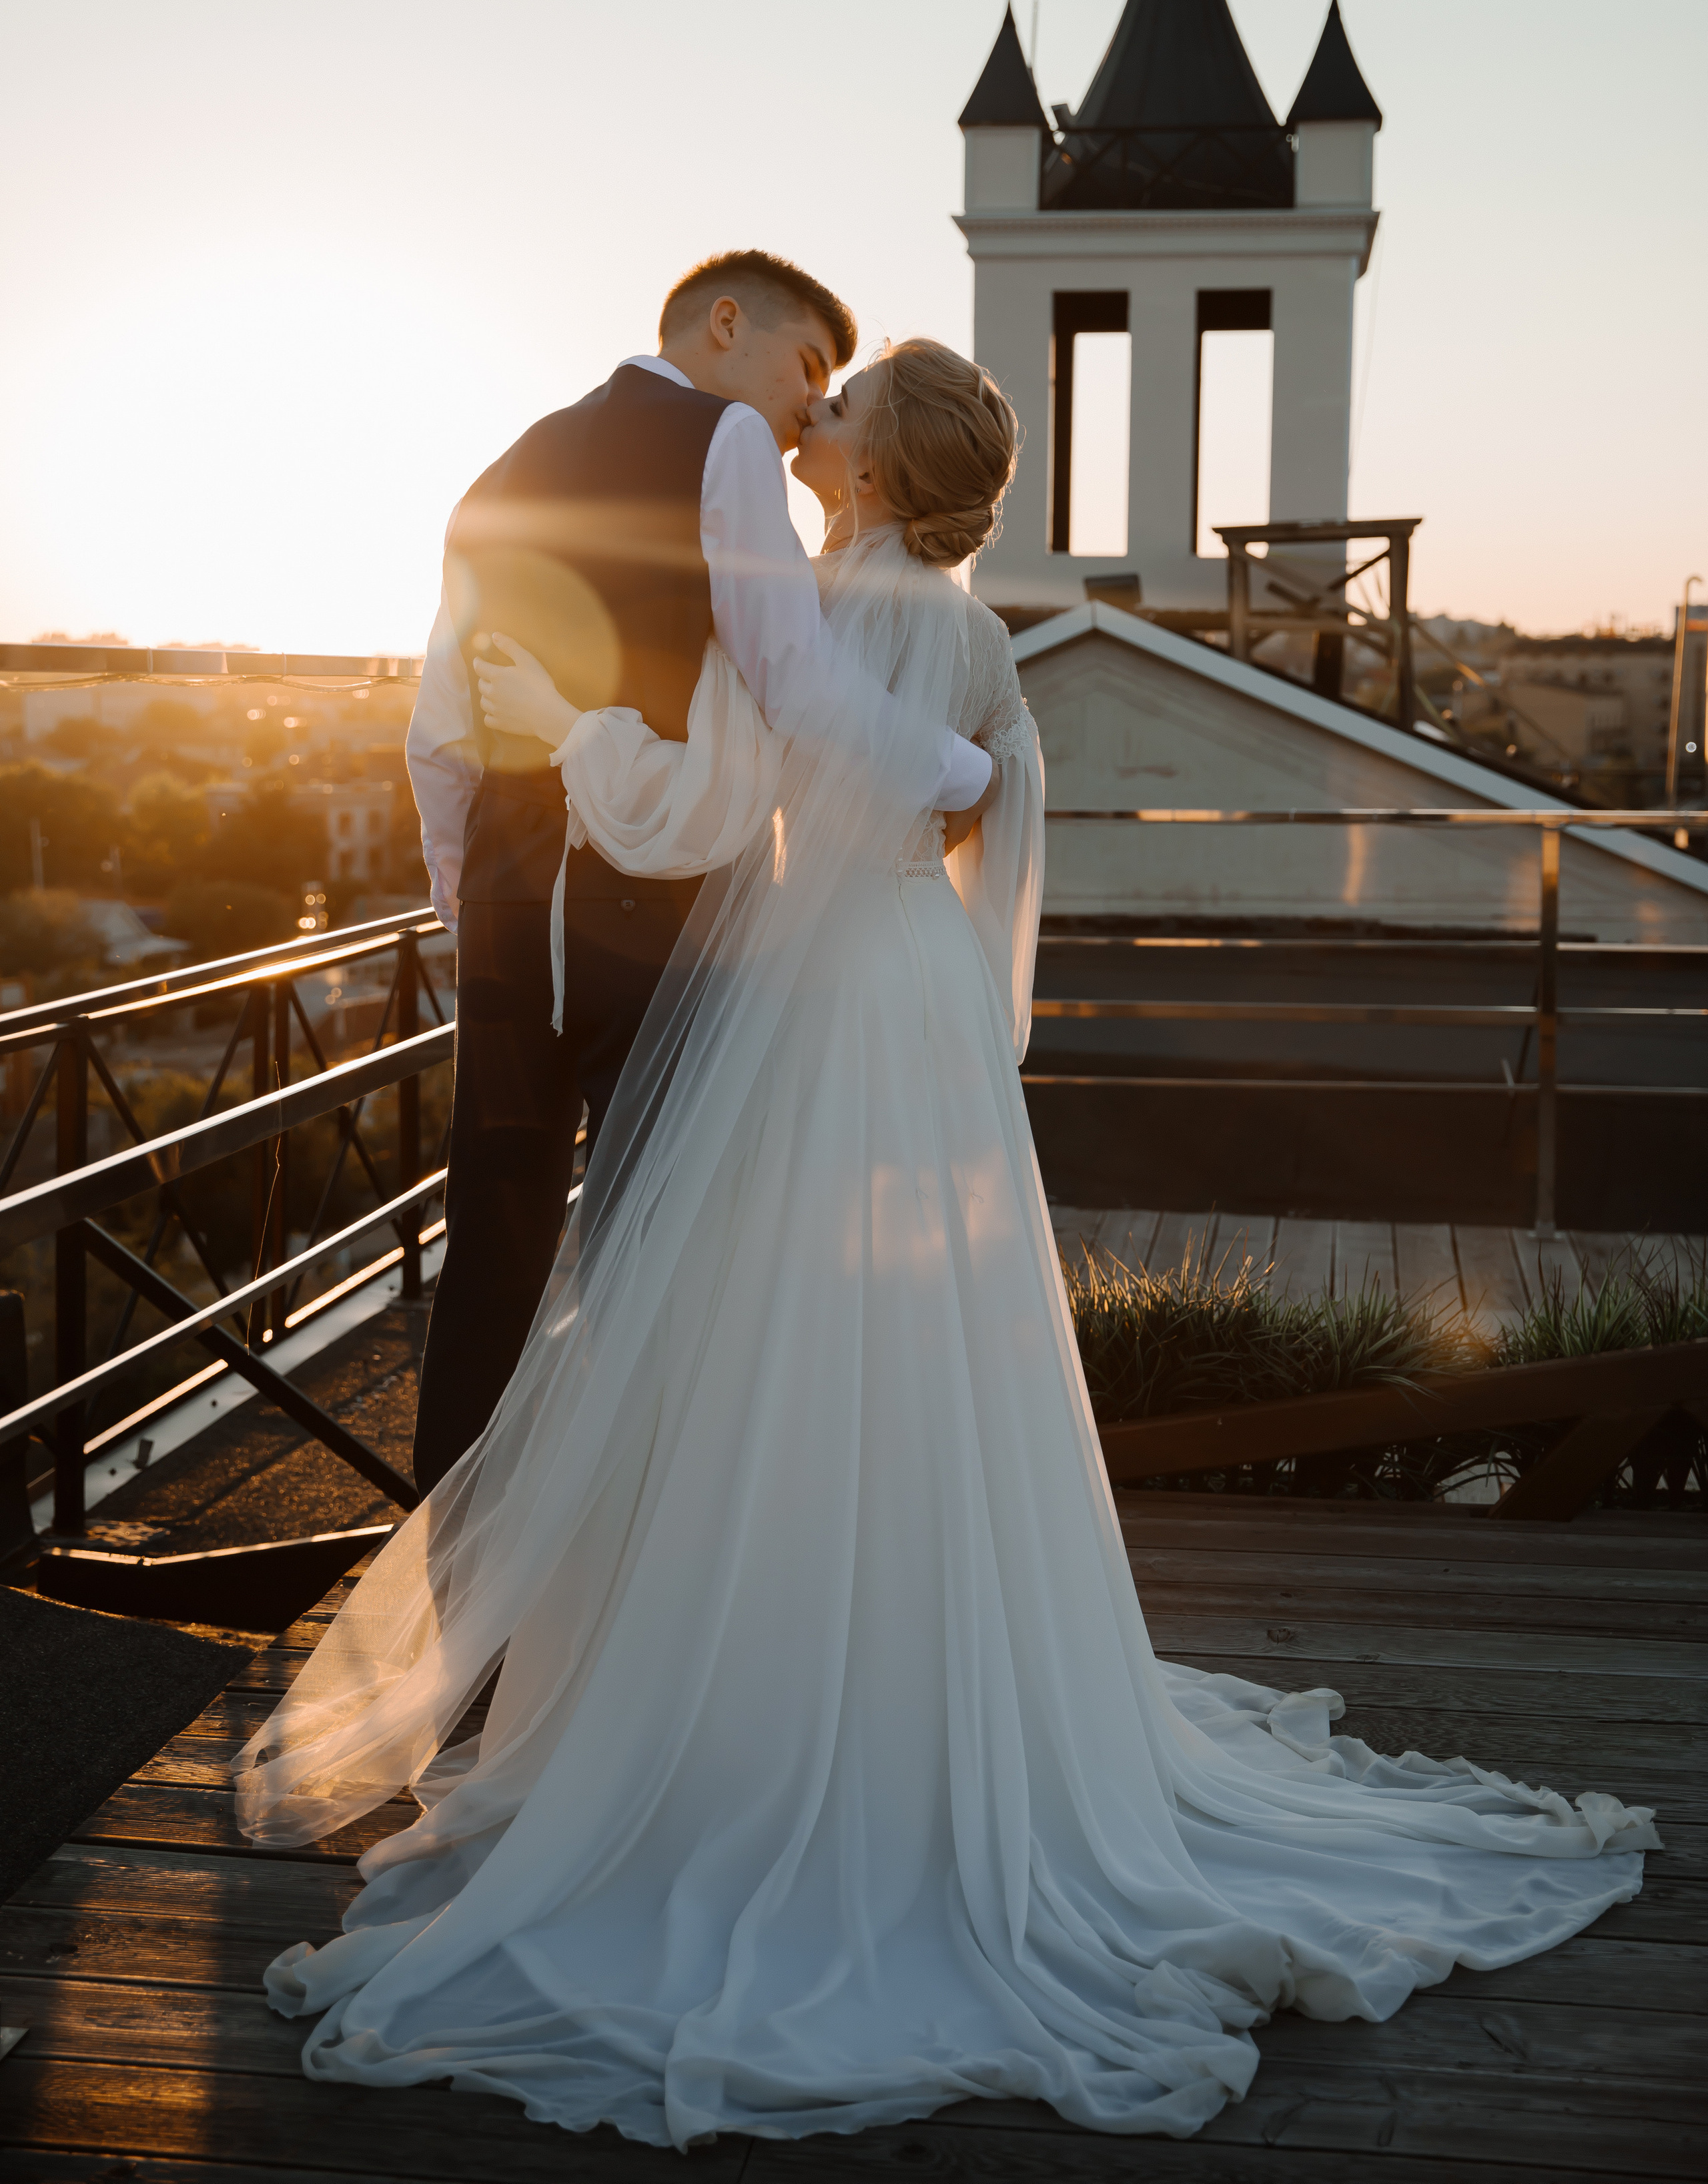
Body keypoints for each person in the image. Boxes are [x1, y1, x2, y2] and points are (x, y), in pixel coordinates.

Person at [239, 337, 1655, 2150]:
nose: (801, 431)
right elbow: (997, 843)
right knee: (925, 1353)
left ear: (879, 478)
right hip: (916, 1010)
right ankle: (929, 1687)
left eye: (835, 419)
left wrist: (559, 718)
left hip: (801, 1010)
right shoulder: (982, 645)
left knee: (749, 1336)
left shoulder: (806, 618)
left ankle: (747, 1713)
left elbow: (682, 810)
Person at [403, 254, 993, 1491]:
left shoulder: (503, 466)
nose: (801, 418)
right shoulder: (716, 435)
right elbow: (796, 682)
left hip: (516, 902)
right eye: (806, 372)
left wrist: (470, 891)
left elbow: (439, 723)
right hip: (644, 896)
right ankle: (619, 1560)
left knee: (494, 1237)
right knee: (652, 1240)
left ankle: (452, 1574)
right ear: (726, 327)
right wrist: (957, 772)